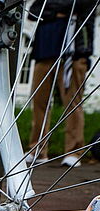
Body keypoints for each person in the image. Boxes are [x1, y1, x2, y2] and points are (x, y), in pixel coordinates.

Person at [26, 0, 96, 168]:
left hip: (74, 53)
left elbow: (81, 6)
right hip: (45, 50)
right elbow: (34, 11)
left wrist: (52, 10)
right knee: (39, 102)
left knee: (72, 102)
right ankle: (38, 150)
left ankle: (73, 151)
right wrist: (58, 12)